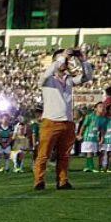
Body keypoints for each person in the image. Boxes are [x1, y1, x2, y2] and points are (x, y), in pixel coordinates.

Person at [34, 47, 93, 190]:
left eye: (67, 59)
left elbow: (87, 77)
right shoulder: (47, 78)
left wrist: (82, 60)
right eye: (63, 59)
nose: (66, 61)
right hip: (50, 121)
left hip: (68, 121)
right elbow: (47, 73)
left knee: (64, 156)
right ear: (55, 61)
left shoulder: (69, 79)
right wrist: (62, 57)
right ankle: (39, 181)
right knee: (44, 155)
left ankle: (62, 181)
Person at [78, 103, 102, 172]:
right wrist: (80, 134)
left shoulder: (101, 118)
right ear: (95, 109)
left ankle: (87, 167)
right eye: (100, 107)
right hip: (88, 137)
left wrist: (101, 138)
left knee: (90, 152)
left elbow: (101, 129)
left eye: (103, 107)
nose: (102, 108)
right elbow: (83, 125)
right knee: (89, 152)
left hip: (94, 137)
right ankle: (91, 167)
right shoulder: (90, 116)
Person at [99, 105, 111, 172]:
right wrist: (101, 139)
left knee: (110, 154)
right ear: (108, 110)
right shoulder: (104, 119)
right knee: (102, 153)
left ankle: (109, 168)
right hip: (104, 140)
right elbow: (101, 129)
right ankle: (101, 167)